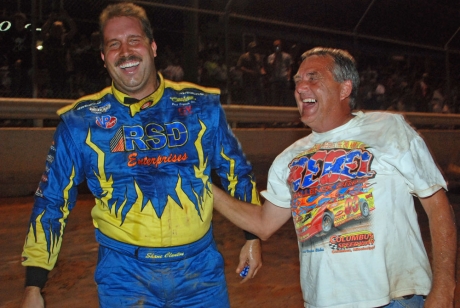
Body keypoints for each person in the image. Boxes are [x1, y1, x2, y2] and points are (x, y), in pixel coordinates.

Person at [21, 2, 262, 307]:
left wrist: (252, 239)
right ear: (103, 57)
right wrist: (34, 284)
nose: (125, 52)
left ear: (153, 46)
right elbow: (52, 198)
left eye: (134, 40)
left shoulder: (201, 107)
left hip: (200, 273)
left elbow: (236, 172)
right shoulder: (80, 122)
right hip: (124, 276)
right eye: (114, 45)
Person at [212, 47, 457, 307]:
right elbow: (263, 224)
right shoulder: (288, 159)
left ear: (344, 89)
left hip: (394, 300)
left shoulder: (389, 129)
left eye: (313, 78)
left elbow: (438, 206)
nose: (300, 87)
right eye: (297, 81)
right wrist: (205, 187)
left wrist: (444, 288)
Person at [236, 41, 265, 105]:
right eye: (253, 48)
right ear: (249, 49)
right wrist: (249, 72)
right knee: (249, 96)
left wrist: (262, 72)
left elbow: (261, 66)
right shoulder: (244, 57)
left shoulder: (258, 56)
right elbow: (239, 67)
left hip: (257, 79)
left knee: (260, 95)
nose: (254, 50)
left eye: (255, 48)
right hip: (248, 79)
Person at [266, 39, 293, 106]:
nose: (277, 47)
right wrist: (276, 56)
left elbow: (289, 67)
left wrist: (288, 76)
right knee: (275, 99)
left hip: (284, 79)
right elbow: (271, 66)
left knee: (285, 99)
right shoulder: (271, 57)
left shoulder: (287, 56)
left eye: (278, 46)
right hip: (275, 80)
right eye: (275, 46)